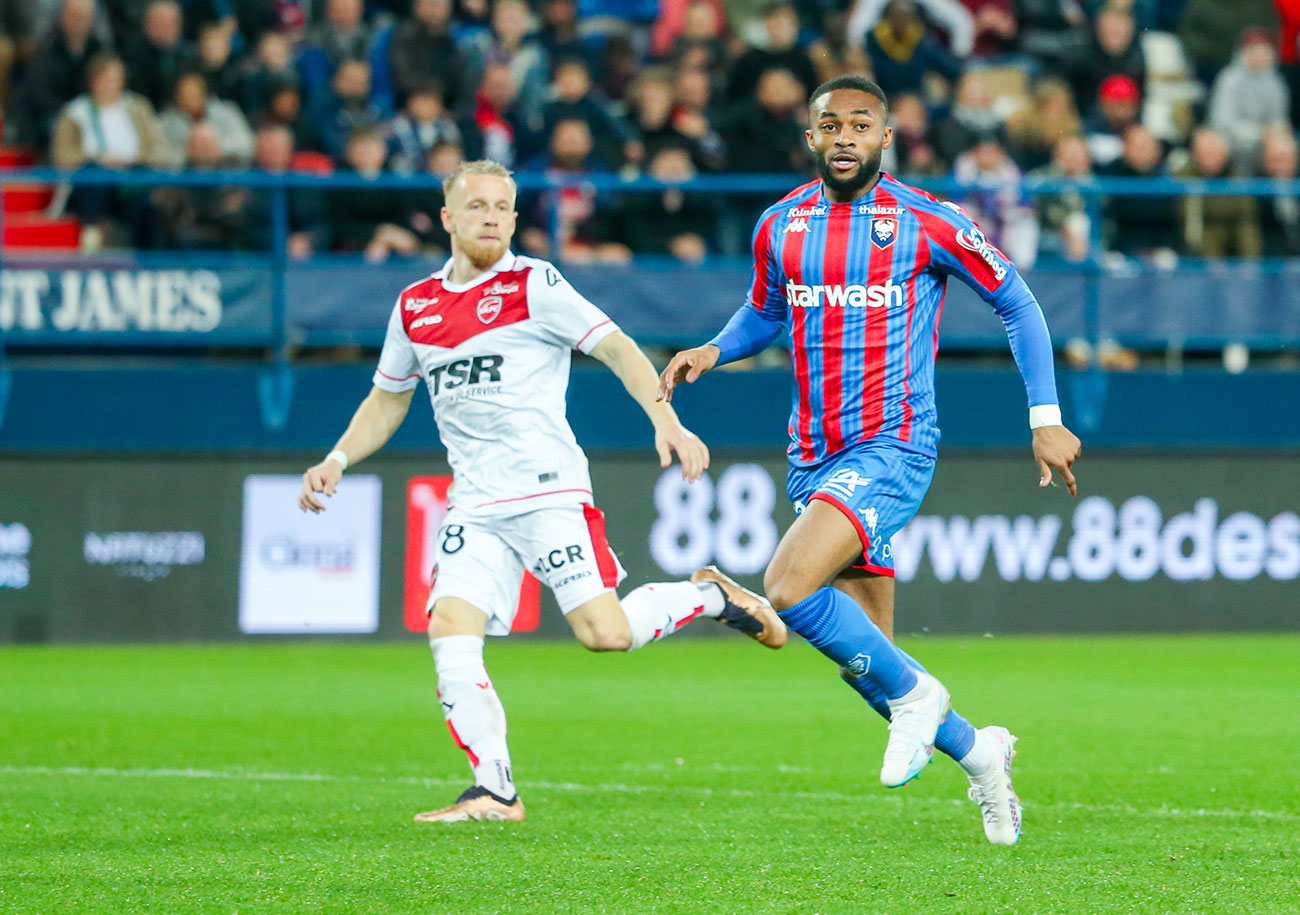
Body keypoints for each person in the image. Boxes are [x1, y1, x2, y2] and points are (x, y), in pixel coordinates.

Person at [657, 75, 1082, 846]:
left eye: (861, 124)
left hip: (895, 443)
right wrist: (716, 350)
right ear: (811, 138)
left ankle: (925, 699)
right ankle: (984, 755)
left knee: (787, 587)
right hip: (813, 455)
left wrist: (1045, 418)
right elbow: (765, 310)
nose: (845, 135)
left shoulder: (929, 220)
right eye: (831, 124)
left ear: (886, 138)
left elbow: (1016, 300)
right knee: (872, 663)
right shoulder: (779, 225)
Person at [297, 159, 788, 824]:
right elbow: (386, 402)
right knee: (449, 626)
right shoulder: (415, 305)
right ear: (447, 218)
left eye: (504, 205)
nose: (492, 215)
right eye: (477, 205)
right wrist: (337, 457)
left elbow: (616, 348)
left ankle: (710, 594)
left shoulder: (535, 283)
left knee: (604, 633)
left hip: (547, 490)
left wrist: (666, 417)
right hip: (474, 500)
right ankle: (494, 789)